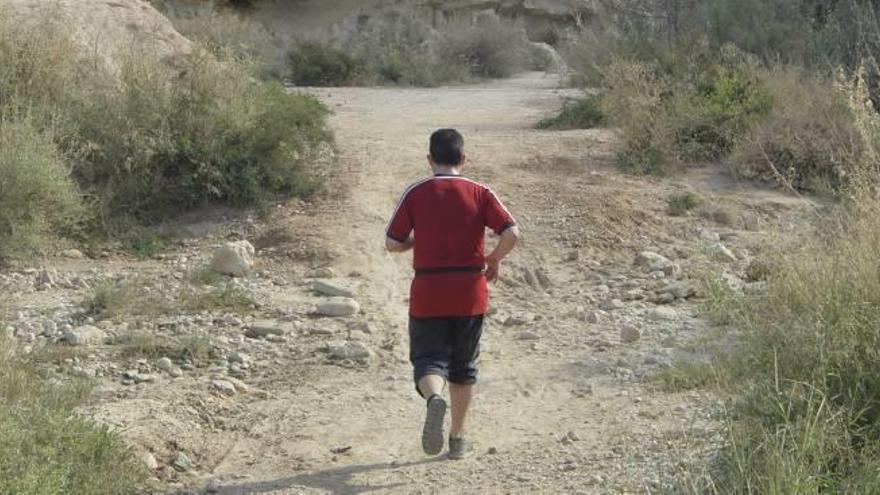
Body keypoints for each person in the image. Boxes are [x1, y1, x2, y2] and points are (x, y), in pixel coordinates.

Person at [384, 128, 520, 459]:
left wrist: (415, 242)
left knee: (428, 359)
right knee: (464, 365)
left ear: (430, 160)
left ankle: (434, 398)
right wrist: (493, 258)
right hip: (470, 291)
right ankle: (457, 440)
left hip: (428, 290)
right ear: (464, 159)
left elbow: (391, 242)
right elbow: (512, 232)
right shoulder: (480, 191)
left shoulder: (416, 192)